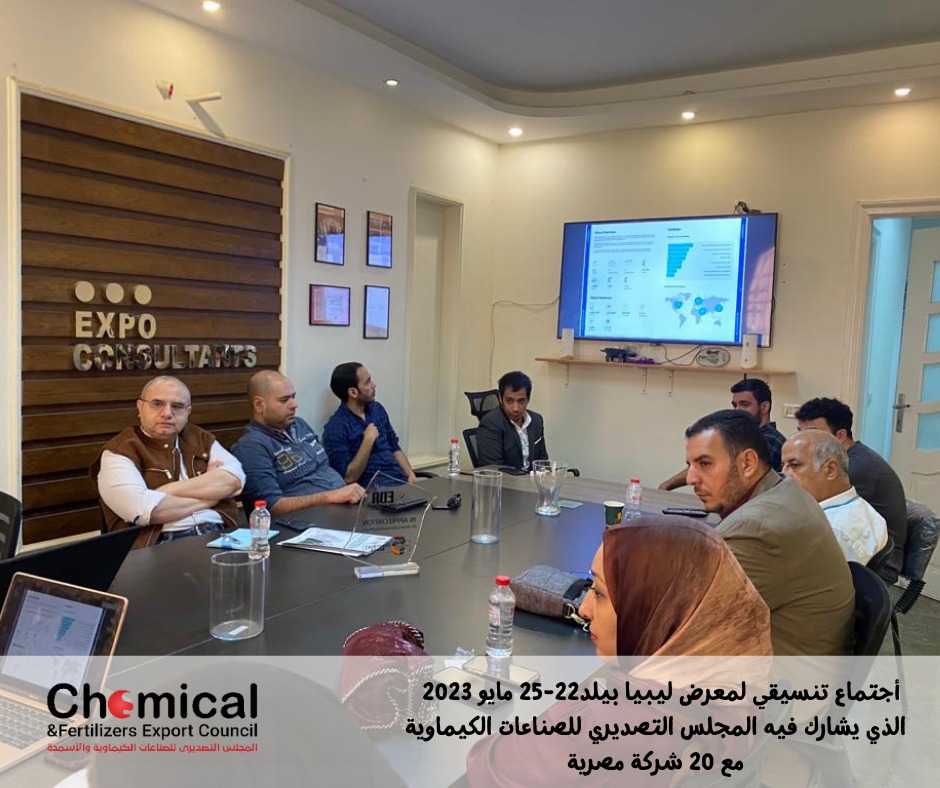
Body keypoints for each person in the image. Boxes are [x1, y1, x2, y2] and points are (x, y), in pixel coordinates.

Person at [466, 517, 772, 786]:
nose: (583, 610)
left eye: (599, 593)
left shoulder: (603, 729)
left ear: (652, 610)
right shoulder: (737, 689)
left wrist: (567, 711)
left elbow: (485, 766)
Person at [685, 409, 854, 655]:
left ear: (747, 463)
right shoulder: (786, 490)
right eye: (690, 465)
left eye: (704, 464)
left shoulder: (755, 528)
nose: (690, 478)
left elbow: (690, 623)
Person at [91, 376, 244, 549]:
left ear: (188, 412)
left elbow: (235, 480)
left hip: (220, 534)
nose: (167, 413)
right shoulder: (119, 451)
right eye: (157, 404)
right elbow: (149, 511)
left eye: (177, 406)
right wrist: (213, 497)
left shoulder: (200, 438)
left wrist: (165, 492)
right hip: (160, 545)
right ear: (140, 407)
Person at [795, 396, 907, 583]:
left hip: (875, 565)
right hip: (853, 547)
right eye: (800, 433)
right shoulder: (844, 459)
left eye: (813, 434)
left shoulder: (854, 468)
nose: (803, 442)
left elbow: (806, 508)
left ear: (840, 436)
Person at [231, 370, 364, 515]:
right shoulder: (251, 447)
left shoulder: (299, 425)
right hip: (306, 520)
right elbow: (270, 506)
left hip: (345, 507)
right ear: (259, 405)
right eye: (284, 400)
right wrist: (330, 496)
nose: (294, 405)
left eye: (293, 397)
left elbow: (325, 468)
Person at [781, 430, 888, 565]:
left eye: (794, 465)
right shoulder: (854, 507)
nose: (784, 473)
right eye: (783, 465)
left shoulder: (834, 530)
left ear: (830, 470)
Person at [659, 377, 785, 490]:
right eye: (735, 405)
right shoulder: (746, 436)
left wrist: (668, 485)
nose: (737, 410)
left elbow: (732, 475)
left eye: (744, 405)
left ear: (764, 407)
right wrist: (667, 485)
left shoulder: (769, 440)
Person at [322, 362, 418, 485]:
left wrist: (410, 474)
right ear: (353, 392)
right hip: (374, 489)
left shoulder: (377, 409)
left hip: (400, 480)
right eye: (367, 382)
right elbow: (348, 478)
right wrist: (367, 441)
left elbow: (394, 446)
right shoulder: (336, 428)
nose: (374, 385)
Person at [476, 370, 548, 470]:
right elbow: (493, 468)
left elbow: (543, 462)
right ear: (500, 399)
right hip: (507, 479)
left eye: (521, 401)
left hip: (532, 478)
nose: (515, 408)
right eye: (509, 401)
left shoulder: (536, 420)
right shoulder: (490, 423)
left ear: (528, 399)